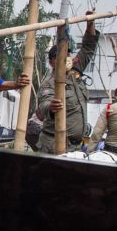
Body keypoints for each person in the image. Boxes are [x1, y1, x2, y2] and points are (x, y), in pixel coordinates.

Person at [35, 12, 98, 151]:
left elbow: (88, 48)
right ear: (52, 61)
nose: (66, 57)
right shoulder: (49, 83)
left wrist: (90, 23)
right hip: (54, 144)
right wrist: (51, 106)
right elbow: (43, 106)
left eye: (68, 54)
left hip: (75, 146)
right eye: (61, 55)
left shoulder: (76, 71)